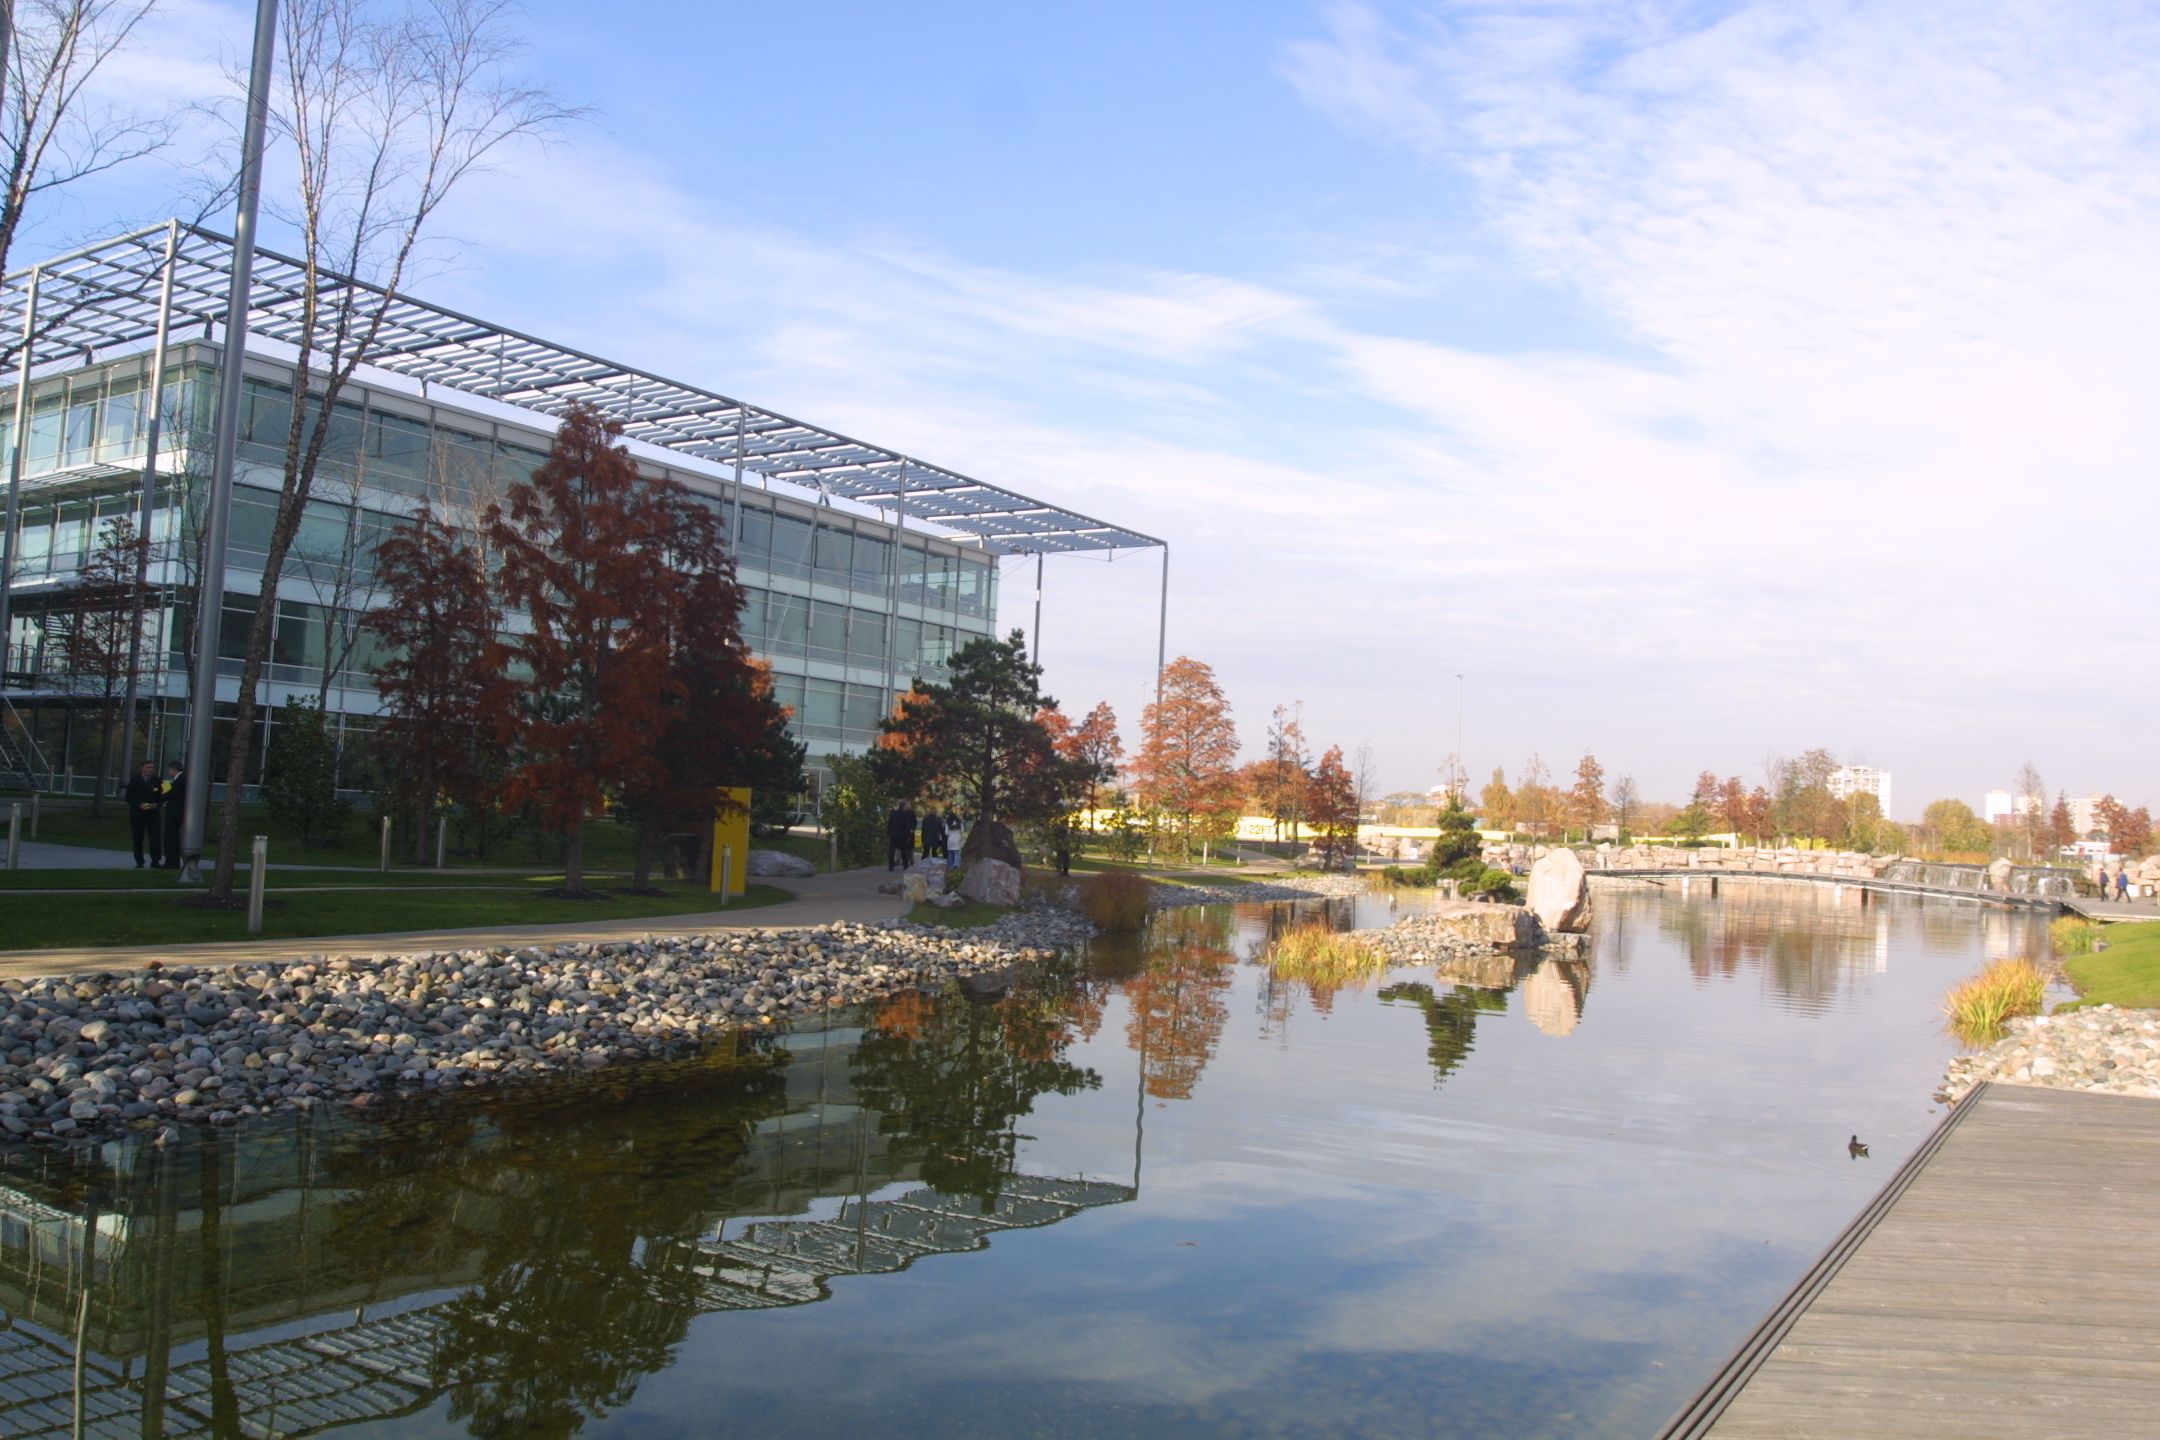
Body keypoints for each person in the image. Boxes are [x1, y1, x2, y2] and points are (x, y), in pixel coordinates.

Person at [124, 761, 164, 868]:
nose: (150, 769)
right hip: (138, 814)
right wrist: (138, 805)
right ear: (142, 768)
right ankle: (139, 861)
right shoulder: (135, 780)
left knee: (155, 838)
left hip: (153, 814)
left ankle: (155, 861)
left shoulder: (157, 780)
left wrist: (157, 804)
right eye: (148, 767)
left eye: (152, 767)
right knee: (138, 838)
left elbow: (163, 795)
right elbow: (128, 797)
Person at [159, 761, 186, 868]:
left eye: (170, 769)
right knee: (174, 837)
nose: (169, 771)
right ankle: (174, 861)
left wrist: (164, 793)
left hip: (175, 813)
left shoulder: (181, 780)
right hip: (176, 812)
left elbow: (173, 794)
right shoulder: (180, 780)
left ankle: (171, 862)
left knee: (170, 837)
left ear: (175, 769)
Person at [887, 801, 917, 871]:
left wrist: (889, 833)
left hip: (893, 835)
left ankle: (891, 866)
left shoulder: (893, 813)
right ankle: (905, 865)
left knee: (891, 851)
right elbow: (907, 826)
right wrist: (909, 836)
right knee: (904, 851)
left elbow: (889, 824)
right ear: (904, 806)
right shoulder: (905, 814)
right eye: (906, 806)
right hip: (903, 836)